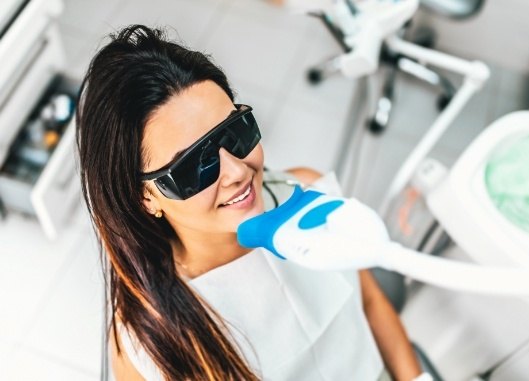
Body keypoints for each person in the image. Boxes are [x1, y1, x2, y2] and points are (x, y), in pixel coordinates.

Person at [76, 24, 423, 381]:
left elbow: (369, 302)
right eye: (195, 165)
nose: (237, 172)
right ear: (145, 196)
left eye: (234, 132)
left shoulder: (304, 188)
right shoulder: (146, 342)